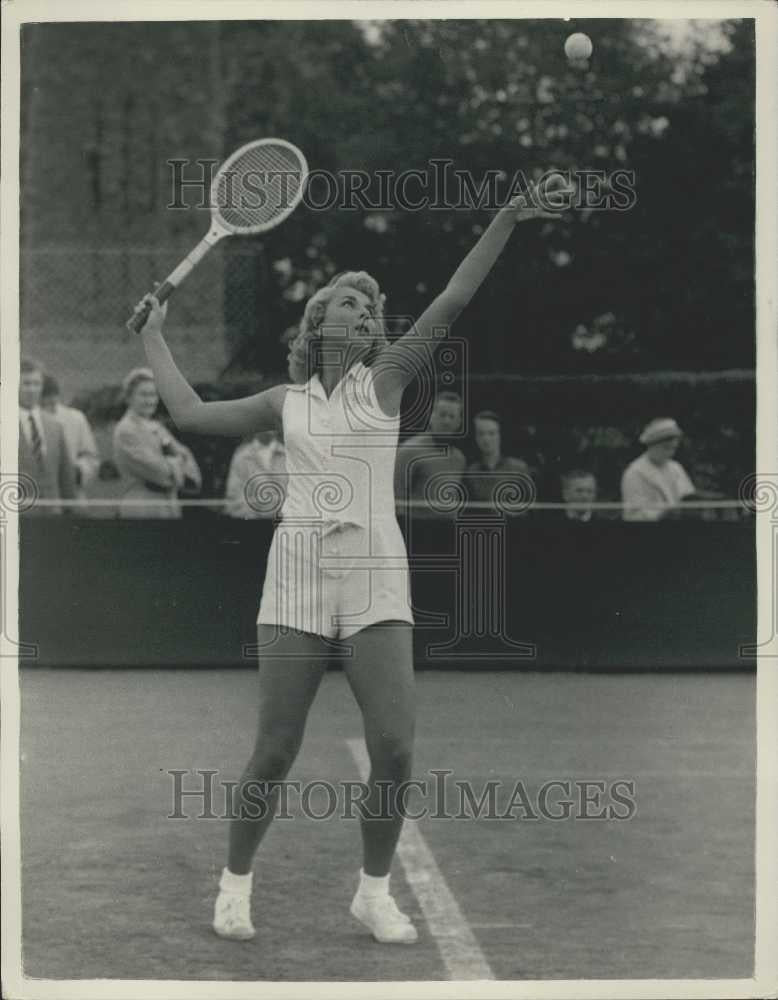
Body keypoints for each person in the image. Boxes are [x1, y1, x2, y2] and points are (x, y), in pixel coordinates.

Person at [130, 176, 570, 945]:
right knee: (274, 747)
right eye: (348, 302)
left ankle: (373, 892)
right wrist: (153, 338)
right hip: (296, 574)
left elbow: (454, 299)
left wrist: (506, 215)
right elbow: (193, 414)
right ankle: (234, 883)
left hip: (374, 572)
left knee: (396, 745)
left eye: (370, 309)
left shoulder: (389, 379)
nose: (364, 312)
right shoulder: (282, 400)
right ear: (318, 321)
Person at [113, 367, 202, 518]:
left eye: (153, 395)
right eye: (143, 395)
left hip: (168, 505)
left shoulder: (156, 427)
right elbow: (159, 471)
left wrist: (176, 462)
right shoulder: (126, 430)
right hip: (142, 505)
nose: (150, 401)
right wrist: (178, 463)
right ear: (129, 398)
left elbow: (187, 458)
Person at [18, 357, 76, 515]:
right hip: (18, 514)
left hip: (52, 513)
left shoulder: (54, 426)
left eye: (36, 384)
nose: (32, 389)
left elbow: (65, 476)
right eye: (26, 383)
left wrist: (71, 511)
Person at [393, 391, 466, 516]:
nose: (446, 421)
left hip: (448, 530)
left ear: (458, 422)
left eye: (452, 416)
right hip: (416, 530)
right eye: (442, 415)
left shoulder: (459, 459)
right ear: (431, 417)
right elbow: (396, 501)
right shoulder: (409, 451)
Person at [41, 374, 100, 505]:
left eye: (53, 402)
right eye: (43, 404)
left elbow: (91, 457)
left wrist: (78, 471)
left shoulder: (76, 418)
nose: (49, 407)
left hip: (73, 496)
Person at [621, 418, 695, 521]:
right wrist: (663, 514)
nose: (670, 453)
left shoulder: (676, 468)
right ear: (652, 445)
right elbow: (633, 515)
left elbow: (688, 499)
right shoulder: (634, 472)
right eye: (666, 448)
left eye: (673, 448)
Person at [466, 410, 533, 513]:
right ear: (476, 437)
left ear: (500, 435)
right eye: (481, 434)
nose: (486, 439)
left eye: (491, 433)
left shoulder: (519, 469)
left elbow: (531, 509)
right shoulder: (471, 472)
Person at [224, 430, 288, 519]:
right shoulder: (242, 456)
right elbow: (235, 498)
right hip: (252, 524)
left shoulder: (287, 454)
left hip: (284, 524)